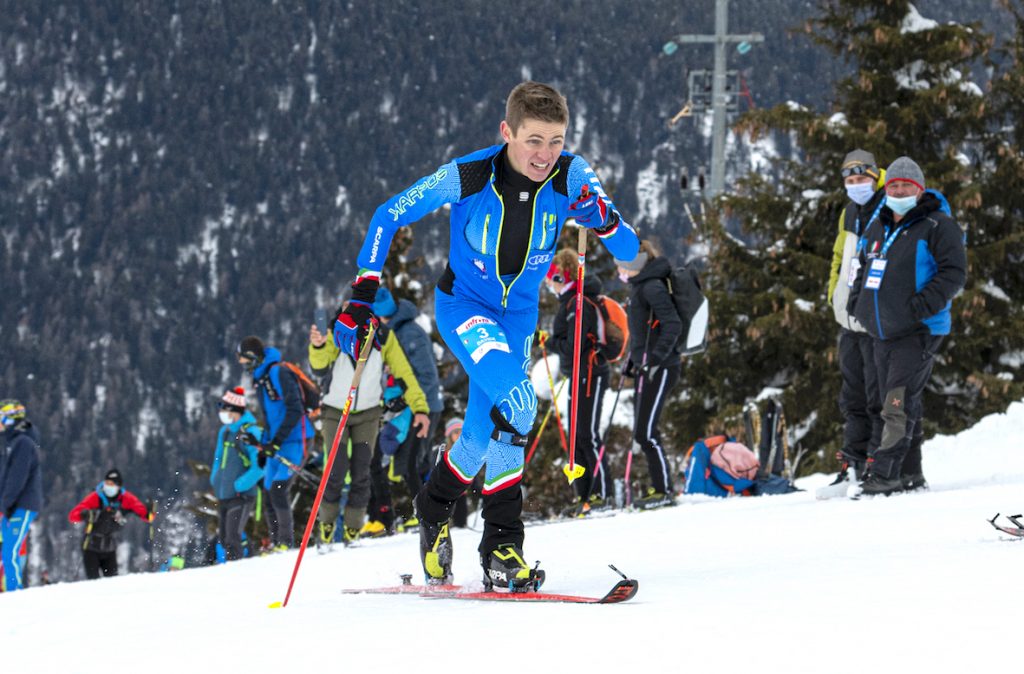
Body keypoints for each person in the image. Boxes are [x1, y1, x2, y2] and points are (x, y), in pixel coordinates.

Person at [332, 80, 639, 589]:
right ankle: (502, 548)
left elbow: (627, 246)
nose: (545, 154)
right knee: (520, 404)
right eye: (533, 140)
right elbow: (389, 213)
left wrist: (604, 220)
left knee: (476, 443)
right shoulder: (471, 174)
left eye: (556, 141)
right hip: (465, 309)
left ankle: (432, 509)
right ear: (508, 132)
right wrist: (362, 293)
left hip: (517, 320)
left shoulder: (573, 174)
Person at [849, 157, 966, 496]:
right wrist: (857, 304)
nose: (898, 190)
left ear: (919, 189)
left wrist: (919, 307)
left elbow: (953, 273)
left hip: (919, 329)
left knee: (896, 401)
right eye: (894, 185)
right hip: (881, 330)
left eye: (906, 186)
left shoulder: (937, 225)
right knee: (899, 399)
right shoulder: (879, 225)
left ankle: (885, 474)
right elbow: (861, 266)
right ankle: (910, 473)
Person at [308, 314, 430, 545]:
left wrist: (420, 408)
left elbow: (405, 374)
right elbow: (320, 366)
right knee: (337, 466)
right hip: (336, 411)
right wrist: (318, 345)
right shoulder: (339, 330)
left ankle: (353, 527)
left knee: (362, 469)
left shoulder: (383, 337)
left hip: (368, 413)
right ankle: (326, 522)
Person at [821, 150, 886, 496]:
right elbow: (838, 256)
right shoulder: (849, 211)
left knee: (877, 396)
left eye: (861, 179)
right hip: (848, 318)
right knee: (852, 397)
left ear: (875, 176)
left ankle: (876, 462)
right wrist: (834, 295)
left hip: (875, 319)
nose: (856, 186)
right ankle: (851, 463)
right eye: (850, 181)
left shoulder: (889, 204)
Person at [365, 287, 444, 534]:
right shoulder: (395, 333)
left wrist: (414, 403)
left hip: (424, 406)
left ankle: (426, 513)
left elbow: (427, 375)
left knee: (413, 461)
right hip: (407, 405)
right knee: (396, 460)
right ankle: (394, 514)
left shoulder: (409, 334)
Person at [615, 240, 684, 509]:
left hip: (663, 368)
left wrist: (654, 359)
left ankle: (663, 490)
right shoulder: (640, 287)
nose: (619, 270)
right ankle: (660, 489)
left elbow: (673, 325)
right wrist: (634, 361)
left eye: (622, 264)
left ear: (634, 264)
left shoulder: (652, 287)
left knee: (646, 433)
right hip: (649, 366)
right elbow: (644, 333)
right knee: (644, 431)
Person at [544, 249, 613, 516]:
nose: (549, 284)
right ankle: (585, 496)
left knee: (587, 435)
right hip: (580, 374)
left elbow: (574, 345)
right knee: (577, 438)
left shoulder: (578, 302)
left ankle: (602, 495)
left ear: (562, 276)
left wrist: (550, 341)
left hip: (590, 373)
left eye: (552, 278)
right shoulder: (571, 302)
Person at [237, 336, 313, 550]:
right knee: (269, 491)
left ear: (254, 358)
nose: (244, 366)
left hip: (297, 439)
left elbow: (295, 409)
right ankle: (276, 542)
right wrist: (264, 446)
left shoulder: (278, 372)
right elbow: (270, 419)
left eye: (245, 361)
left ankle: (286, 544)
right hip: (277, 442)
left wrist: (276, 442)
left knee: (279, 489)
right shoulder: (261, 380)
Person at [210, 387, 263, 561]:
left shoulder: (251, 432)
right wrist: (215, 478)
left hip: (241, 495)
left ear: (234, 411)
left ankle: (237, 572)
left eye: (224, 408)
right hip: (224, 493)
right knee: (225, 539)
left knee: (233, 537)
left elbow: (261, 465)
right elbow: (218, 458)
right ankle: (239, 566)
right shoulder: (225, 432)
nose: (221, 412)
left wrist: (240, 484)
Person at [68, 468, 153, 579]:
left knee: (112, 581)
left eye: (111, 483)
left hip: (110, 546)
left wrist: (149, 511)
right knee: (93, 581)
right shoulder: (96, 497)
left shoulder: (125, 498)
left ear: (118, 486)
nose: (108, 486)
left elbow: (146, 515)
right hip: (91, 545)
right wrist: (85, 514)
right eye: (106, 483)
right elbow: (73, 516)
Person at [0, 399, 43, 592]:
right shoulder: (14, 442)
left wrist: (6, 503)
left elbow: (17, 477)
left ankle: (15, 593)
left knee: (10, 552)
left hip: (22, 504)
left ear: (10, 419)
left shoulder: (22, 442)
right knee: (7, 551)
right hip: (13, 504)